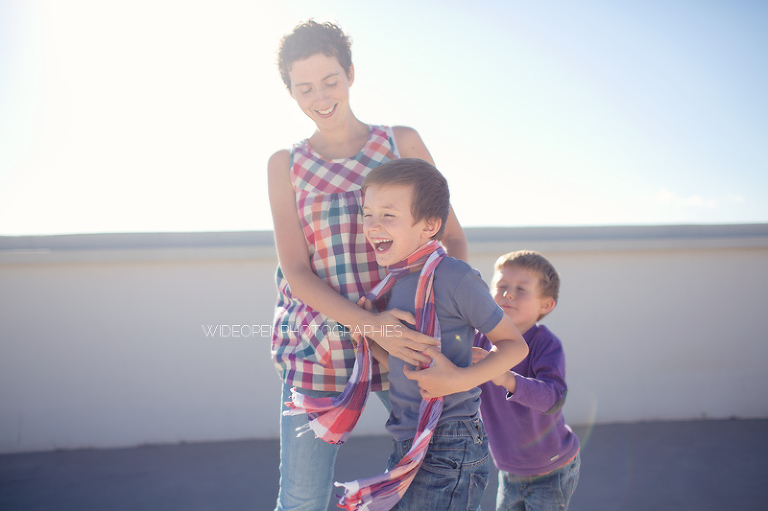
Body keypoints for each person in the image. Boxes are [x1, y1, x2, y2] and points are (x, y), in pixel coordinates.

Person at [267, 20, 468, 511]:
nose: (321, 95)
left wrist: (430, 320)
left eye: (330, 80)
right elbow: (296, 271)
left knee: (435, 482)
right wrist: (370, 326)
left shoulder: (401, 143)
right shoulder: (283, 165)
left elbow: (453, 241)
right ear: (290, 92)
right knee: (301, 499)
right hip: (323, 346)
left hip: (407, 340)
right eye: (305, 86)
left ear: (351, 74)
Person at [333, 158, 529, 510]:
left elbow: (515, 346)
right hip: (407, 437)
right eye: (368, 214)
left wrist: (458, 380)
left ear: (430, 226)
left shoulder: (454, 276)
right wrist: (369, 340)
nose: (374, 225)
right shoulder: (393, 286)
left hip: (451, 440)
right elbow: (405, 362)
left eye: (388, 215)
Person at [472, 250, 581, 511]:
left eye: (521, 289)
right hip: (508, 470)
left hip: (552, 469)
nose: (508, 294)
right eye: (502, 286)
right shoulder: (479, 339)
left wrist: (505, 377)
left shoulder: (545, 344)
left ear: (546, 305)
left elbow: (553, 398)